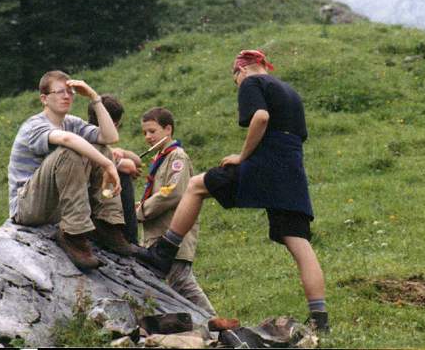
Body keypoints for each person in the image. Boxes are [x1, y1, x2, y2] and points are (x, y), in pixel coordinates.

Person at [136, 50, 329, 331]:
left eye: (234, 79)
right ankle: (320, 319)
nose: (237, 85)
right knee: (298, 240)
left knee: (196, 185)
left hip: (266, 161)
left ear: (241, 70)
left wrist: (242, 156)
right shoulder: (290, 92)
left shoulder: (252, 83)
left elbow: (260, 117)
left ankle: (164, 250)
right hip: (292, 168)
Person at [8, 70, 132, 271]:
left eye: (70, 92)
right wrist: (108, 165)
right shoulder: (34, 125)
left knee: (101, 148)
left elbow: (110, 137)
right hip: (27, 207)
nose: (66, 96)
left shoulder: (71, 123)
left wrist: (94, 98)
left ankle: (107, 225)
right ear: (44, 99)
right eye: (59, 92)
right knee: (69, 151)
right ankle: (74, 234)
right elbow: (67, 140)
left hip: (56, 205)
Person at [133, 107, 216, 316]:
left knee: (182, 284)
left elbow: (172, 193)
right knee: (173, 286)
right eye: (145, 133)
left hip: (173, 238)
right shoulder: (160, 158)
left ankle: (218, 326)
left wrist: (141, 211)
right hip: (156, 238)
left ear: (168, 129)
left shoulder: (177, 157)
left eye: (152, 131)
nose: (148, 137)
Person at [88, 94, 142, 244]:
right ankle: (127, 236)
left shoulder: (97, 140)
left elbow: (136, 161)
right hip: (90, 207)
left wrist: (122, 153)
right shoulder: (90, 142)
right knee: (121, 175)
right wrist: (121, 163)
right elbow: (130, 166)